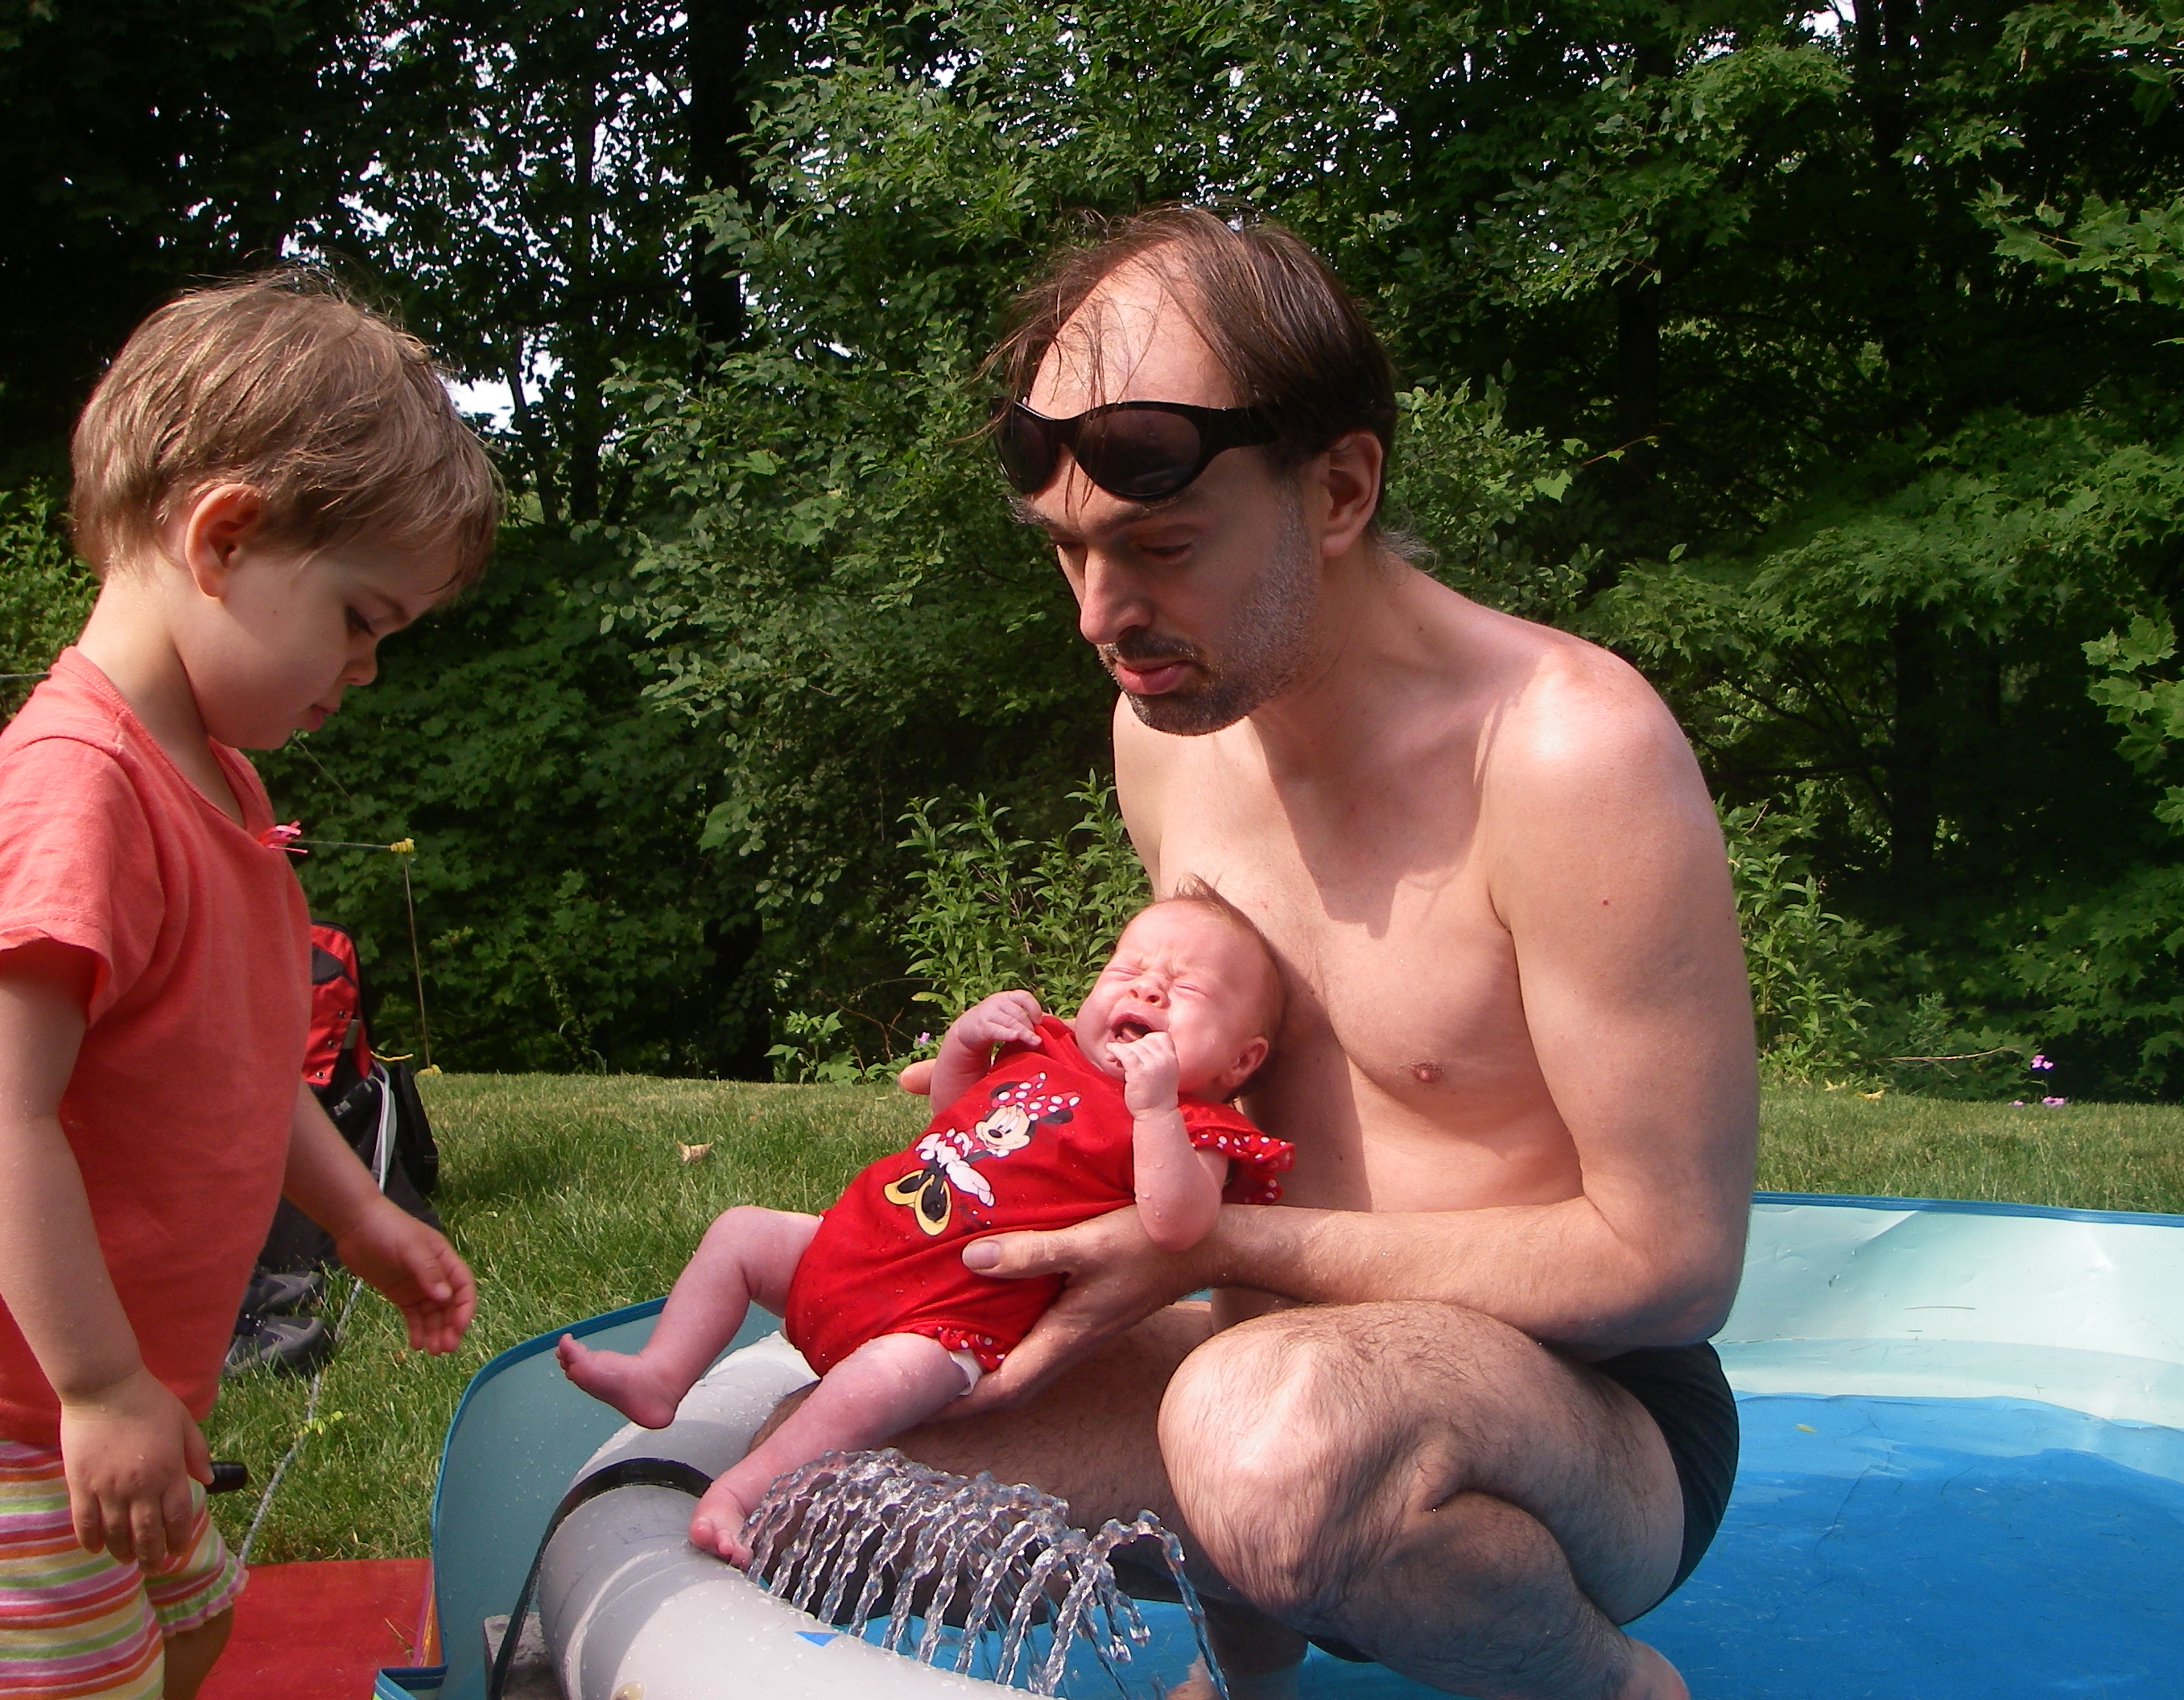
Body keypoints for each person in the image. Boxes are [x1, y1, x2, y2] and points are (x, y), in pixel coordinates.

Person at [877, 209, 1759, 1700]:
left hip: (1583, 1418)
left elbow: (1672, 1268)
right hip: (1263, 1373)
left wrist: (1218, 1251)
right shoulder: (1168, 735)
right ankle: (1251, 1667)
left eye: (1160, 547)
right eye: (1070, 553)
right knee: (844, 1444)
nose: (1101, 616)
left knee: (1269, 1432)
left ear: (1339, 486)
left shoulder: (1564, 752)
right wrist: (1032, 1100)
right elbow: (1219, 1092)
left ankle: (1617, 1687)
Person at [0, 273, 490, 1700]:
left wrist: (360, 1215)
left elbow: (240, 1070)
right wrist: (98, 1387)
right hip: (33, 1418)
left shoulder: (220, 786)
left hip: (124, 1400)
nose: (367, 668)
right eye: (358, 618)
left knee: (197, 1626)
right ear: (222, 537)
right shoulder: (81, 790)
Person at [559, 889, 1293, 1562]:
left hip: (946, 1322)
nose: (1147, 989)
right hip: (856, 1248)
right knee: (741, 1232)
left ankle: (742, 1491)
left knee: (873, 1387)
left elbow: (1175, 1225)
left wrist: (1155, 1108)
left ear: (1241, 1060)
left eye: (1187, 989)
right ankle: (662, 1375)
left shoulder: (1195, 1125)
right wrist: (964, 1045)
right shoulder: (1048, 1050)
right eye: (1126, 969)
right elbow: (954, 1111)